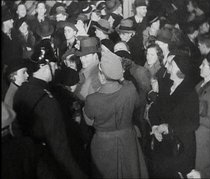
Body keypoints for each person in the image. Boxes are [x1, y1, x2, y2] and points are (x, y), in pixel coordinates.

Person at [13, 46, 87, 179]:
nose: (56, 68)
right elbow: (60, 148)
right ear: (45, 66)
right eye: (53, 65)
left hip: (30, 161)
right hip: (49, 163)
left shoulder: (21, 91)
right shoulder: (47, 101)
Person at [83, 50, 148, 178]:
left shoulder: (92, 99)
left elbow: (89, 121)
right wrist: (120, 77)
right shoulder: (130, 90)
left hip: (103, 145)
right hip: (128, 141)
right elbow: (136, 102)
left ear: (101, 75)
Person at [149, 51, 199, 178]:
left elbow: (193, 123)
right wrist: (155, 127)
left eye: (171, 64)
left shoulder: (190, 93)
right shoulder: (167, 86)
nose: (167, 66)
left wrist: (168, 127)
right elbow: (154, 108)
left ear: (180, 70)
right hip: (163, 146)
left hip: (180, 148)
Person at [74, 37, 101, 101]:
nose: (82, 59)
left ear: (95, 56)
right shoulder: (84, 70)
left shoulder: (97, 76)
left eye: (85, 56)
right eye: (81, 56)